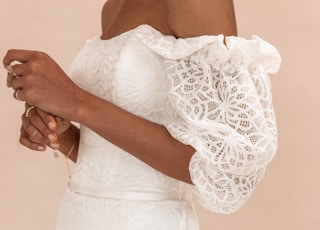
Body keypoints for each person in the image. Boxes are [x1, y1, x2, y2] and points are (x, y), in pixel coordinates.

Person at [3, 0, 281, 229]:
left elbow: (227, 165)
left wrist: (75, 102)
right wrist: (64, 135)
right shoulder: (112, 7)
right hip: (79, 216)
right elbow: (123, 164)